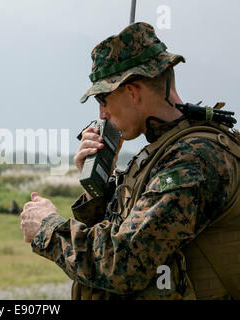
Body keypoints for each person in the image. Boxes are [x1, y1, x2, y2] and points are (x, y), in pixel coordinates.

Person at [20, 22, 240, 300]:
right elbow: (123, 228)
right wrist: (96, 184)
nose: (102, 114)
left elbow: (122, 264)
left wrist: (48, 229)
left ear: (133, 92)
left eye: (103, 99)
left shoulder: (192, 160)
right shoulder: (166, 150)